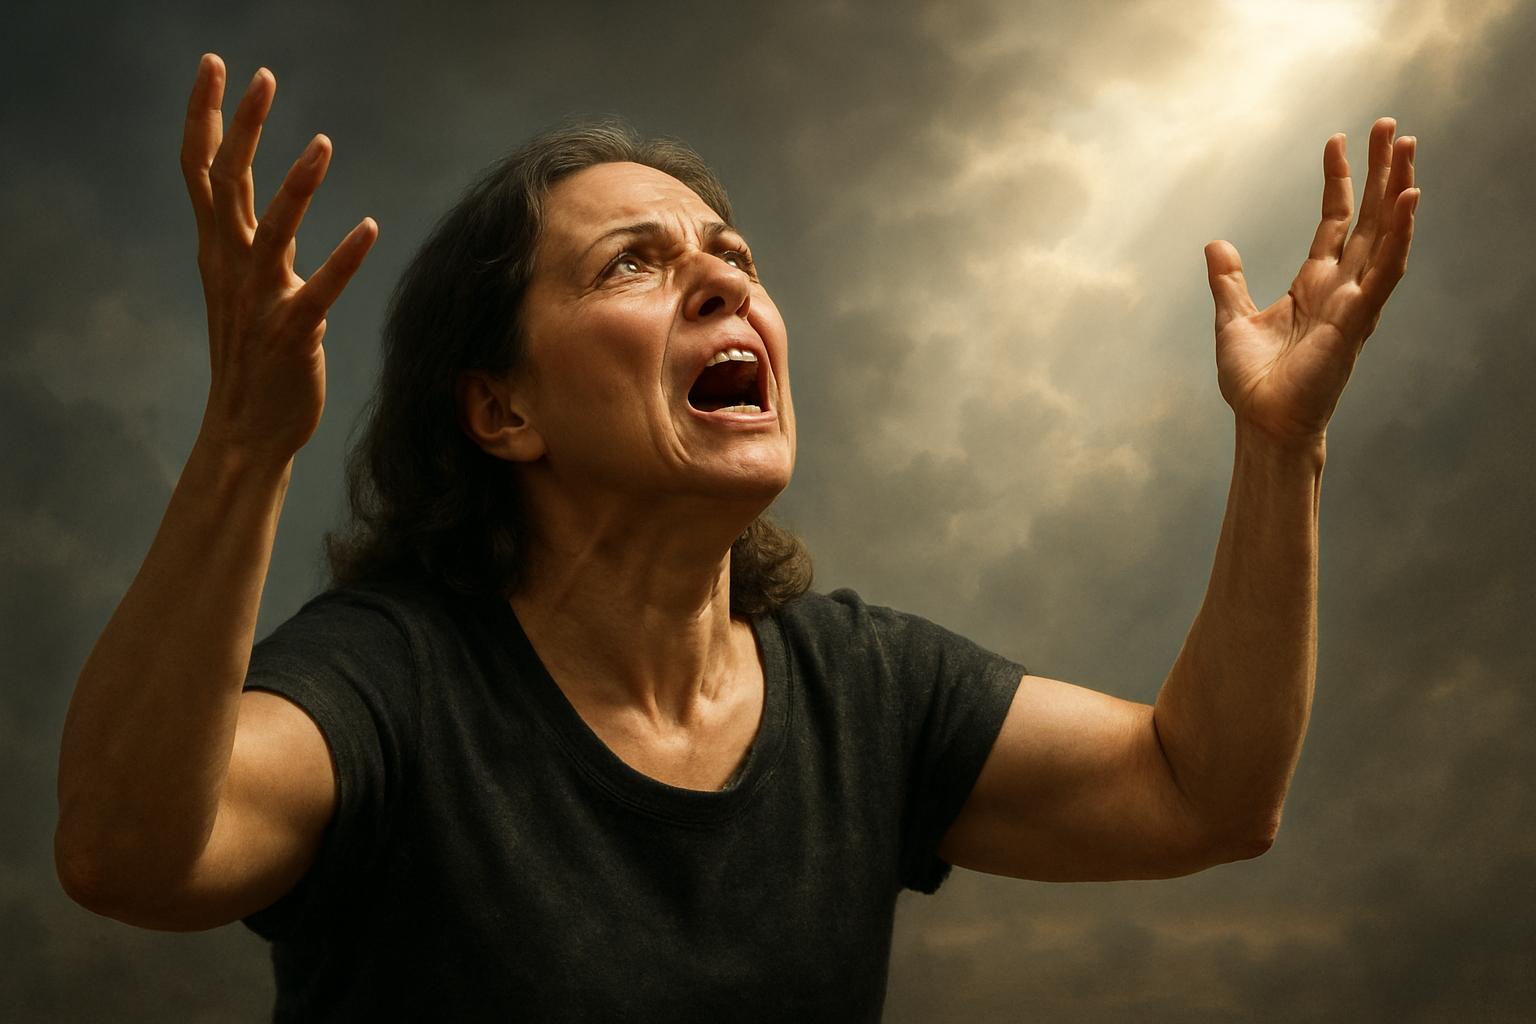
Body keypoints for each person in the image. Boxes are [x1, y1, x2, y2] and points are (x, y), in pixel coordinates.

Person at [54, 52, 1418, 1021]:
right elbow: (130, 854)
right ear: (500, 407)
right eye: (632, 262)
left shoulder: (863, 690)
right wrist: (243, 446)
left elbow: (1208, 793)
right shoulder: (392, 679)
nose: (724, 277)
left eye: (735, 256)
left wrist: (1277, 445)